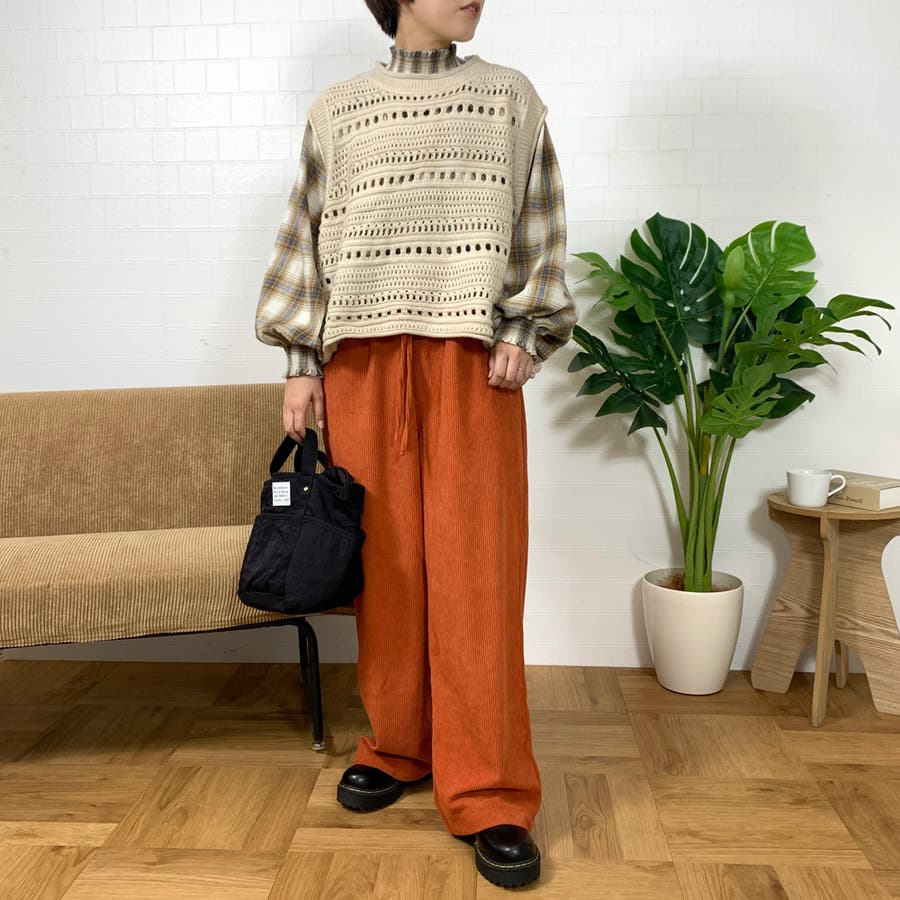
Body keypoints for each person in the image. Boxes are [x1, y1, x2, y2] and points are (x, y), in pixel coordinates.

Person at [254, 0, 576, 888]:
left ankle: (491, 790)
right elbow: (305, 234)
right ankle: (399, 744)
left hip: (471, 360)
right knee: (387, 569)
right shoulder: (338, 109)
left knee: (476, 572)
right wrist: (300, 363)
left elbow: (541, 222)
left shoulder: (509, 98)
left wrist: (526, 327)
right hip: (359, 361)